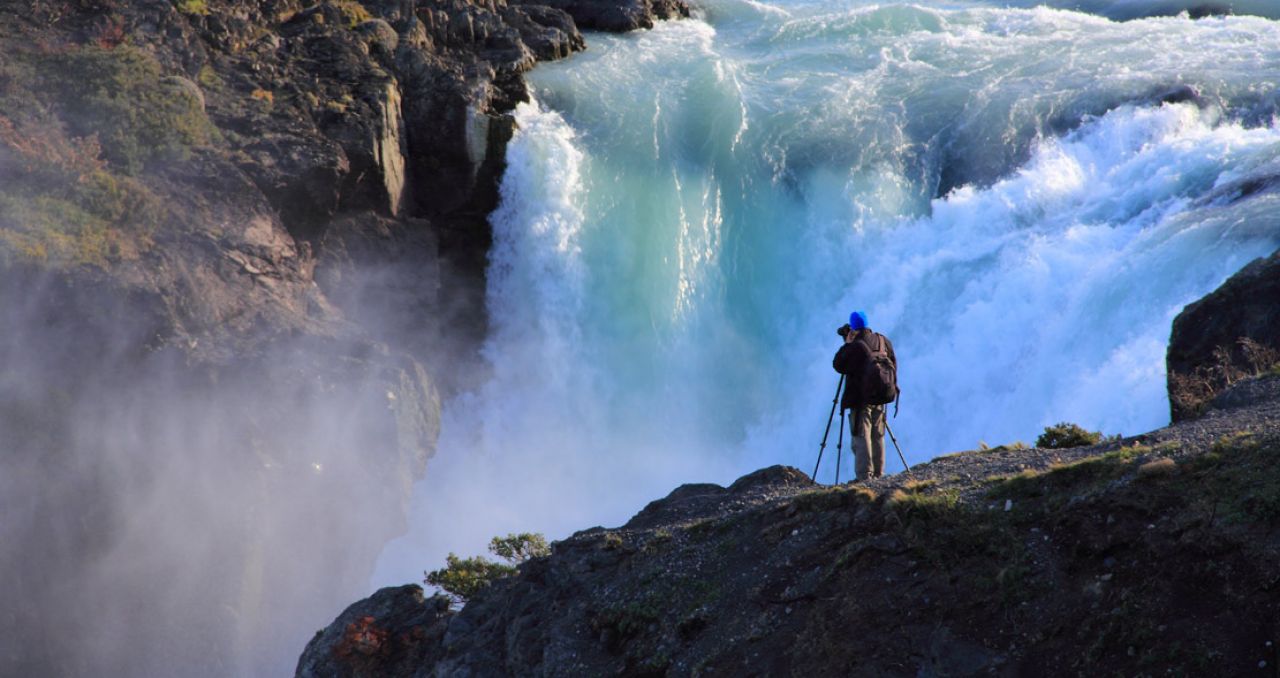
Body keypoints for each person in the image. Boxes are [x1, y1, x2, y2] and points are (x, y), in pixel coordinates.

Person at [832, 311, 897, 481]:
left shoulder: (856, 346)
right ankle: (879, 474)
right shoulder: (883, 341)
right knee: (878, 435)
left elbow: (838, 364)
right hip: (881, 396)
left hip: (860, 399)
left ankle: (864, 477)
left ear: (853, 328)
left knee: (861, 436)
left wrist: (847, 344)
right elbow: (894, 363)